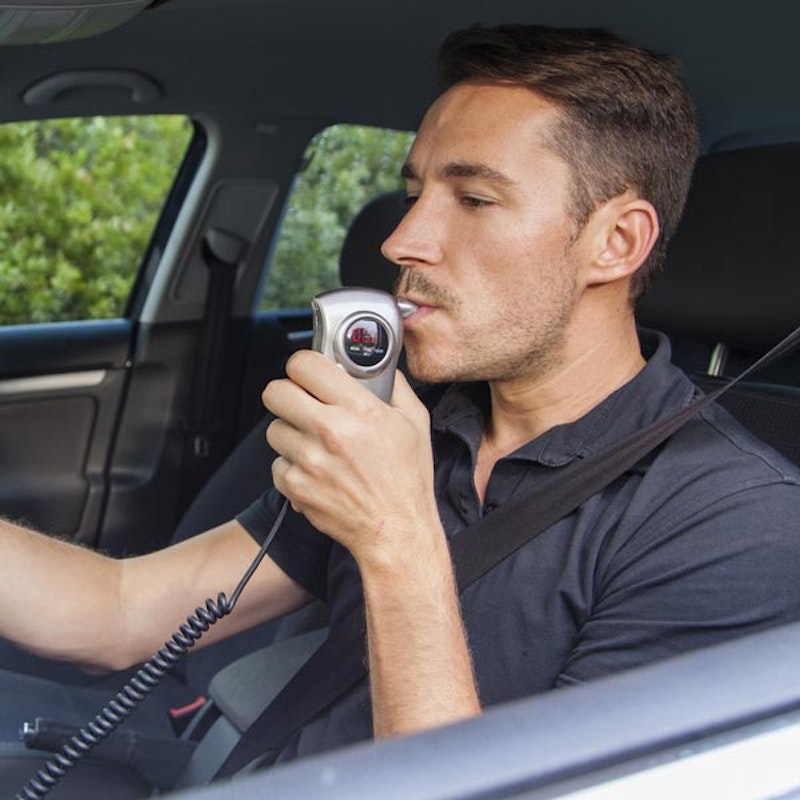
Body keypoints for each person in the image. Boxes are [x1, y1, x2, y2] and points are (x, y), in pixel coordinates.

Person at [1, 21, 800, 790]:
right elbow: (121, 614)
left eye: (475, 199)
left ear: (616, 243)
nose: (401, 239)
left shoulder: (734, 526)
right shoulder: (420, 421)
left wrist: (393, 534)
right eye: (414, 191)